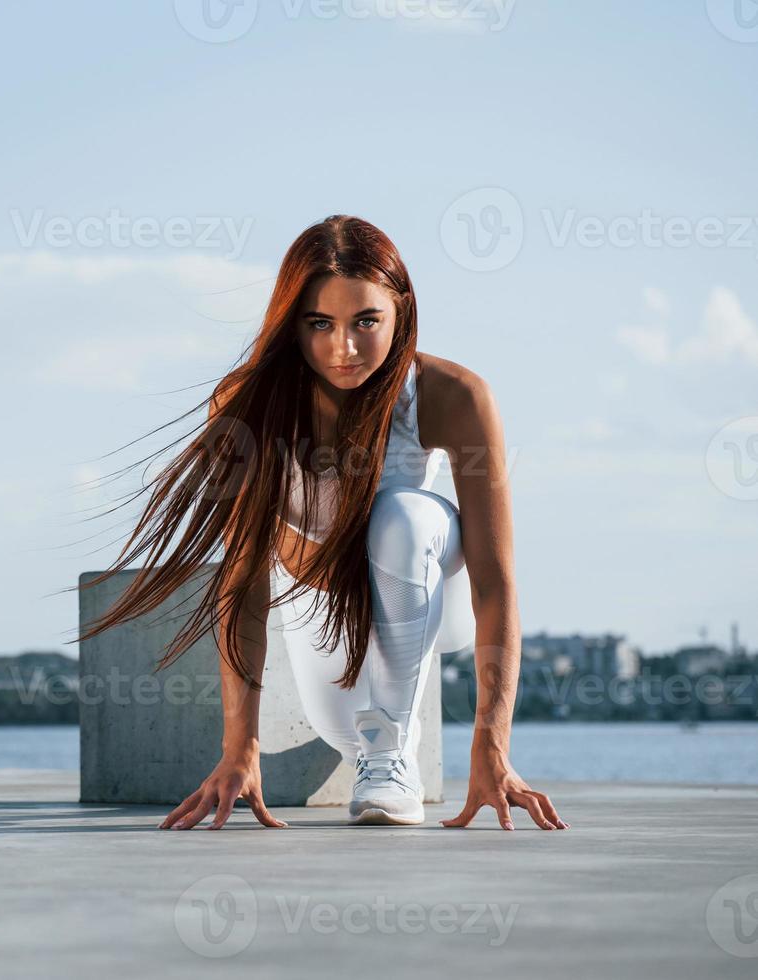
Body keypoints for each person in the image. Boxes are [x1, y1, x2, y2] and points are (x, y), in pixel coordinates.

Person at [75, 214, 566, 831]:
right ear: (293, 323)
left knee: (404, 514)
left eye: (367, 321)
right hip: (324, 617)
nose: (345, 348)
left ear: (401, 312)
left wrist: (492, 746)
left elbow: (497, 582)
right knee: (346, 725)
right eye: (320, 324)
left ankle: (391, 754)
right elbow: (244, 578)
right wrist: (239, 749)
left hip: (436, 593)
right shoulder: (248, 402)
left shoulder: (451, 395)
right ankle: (371, 742)